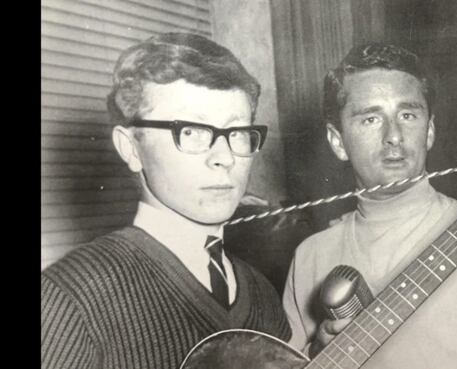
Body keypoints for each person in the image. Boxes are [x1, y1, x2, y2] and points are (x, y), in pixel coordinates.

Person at [281, 42, 457, 368]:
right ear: (338, 142)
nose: (394, 135)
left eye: (408, 115)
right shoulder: (311, 256)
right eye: (370, 119)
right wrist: (318, 354)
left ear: (429, 132)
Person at [41, 33, 291, 369]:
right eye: (191, 131)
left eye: (238, 132)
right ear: (131, 148)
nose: (224, 157)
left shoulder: (261, 293)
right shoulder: (70, 297)